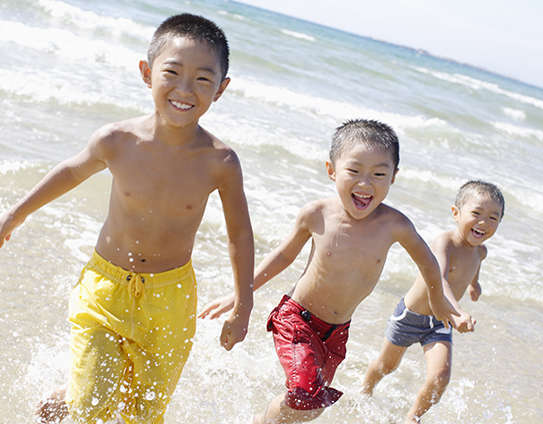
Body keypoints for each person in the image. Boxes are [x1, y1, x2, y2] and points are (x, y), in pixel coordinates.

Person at [0, 13, 254, 424]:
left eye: (203, 80)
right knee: (91, 407)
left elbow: (239, 234)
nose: (185, 90)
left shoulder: (220, 162)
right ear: (146, 72)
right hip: (105, 286)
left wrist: (243, 303)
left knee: (143, 413)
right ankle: (74, 399)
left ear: (221, 89)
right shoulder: (117, 140)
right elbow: (69, 171)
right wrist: (14, 215)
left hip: (170, 300)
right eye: (172, 73)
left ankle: (67, 396)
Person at [199, 119, 455, 424]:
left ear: (393, 178)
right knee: (305, 396)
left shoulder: (395, 225)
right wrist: (240, 295)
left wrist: (438, 300)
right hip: (297, 319)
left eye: (379, 174)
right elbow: (283, 256)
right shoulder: (317, 214)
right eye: (354, 171)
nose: (365, 183)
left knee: (313, 406)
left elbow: (428, 262)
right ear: (331, 169)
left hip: (337, 332)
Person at [361, 180, 505, 424]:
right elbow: (439, 280)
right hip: (410, 316)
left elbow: (475, 266)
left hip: (440, 322)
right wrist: (458, 312)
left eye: (493, 217)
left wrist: (474, 284)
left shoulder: (481, 252)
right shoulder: (445, 243)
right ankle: (365, 389)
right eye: (477, 213)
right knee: (387, 366)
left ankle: (412, 418)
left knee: (440, 377)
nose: (484, 222)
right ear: (456, 213)